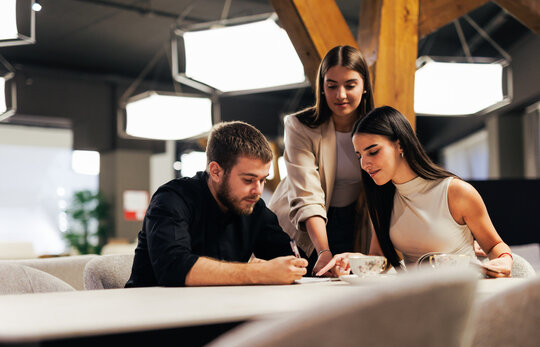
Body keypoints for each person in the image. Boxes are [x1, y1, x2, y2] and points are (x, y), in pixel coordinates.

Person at [317, 106, 513, 278]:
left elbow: (494, 245)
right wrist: (354, 258)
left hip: (464, 293)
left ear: (400, 144)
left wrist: (504, 260)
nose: (364, 163)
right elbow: (379, 260)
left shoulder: (455, 192)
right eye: (359, 155)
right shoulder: (381, 200)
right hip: (417, 298)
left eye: (373, 151)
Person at [125, 121, 307, 287]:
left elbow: (291, 258)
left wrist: (324, 262)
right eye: (248, 180)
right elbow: (174, 268)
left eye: (262, 180)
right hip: (152, 315)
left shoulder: (253, 207)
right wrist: (259, 272)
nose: (258, 190)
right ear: (216, 171)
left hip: (215, 312)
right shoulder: (172, 199)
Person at [269, 45, 374, 276]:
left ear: (364, 85)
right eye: (332, 86)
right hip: (303, 221)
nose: (341, 95)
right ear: (322, 87)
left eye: (350, 85)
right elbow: (307, 194)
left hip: (352, 220)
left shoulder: (379, 127)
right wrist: (324, 250)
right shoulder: (300, 126)